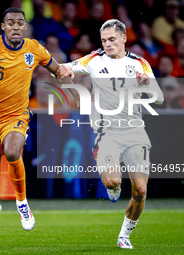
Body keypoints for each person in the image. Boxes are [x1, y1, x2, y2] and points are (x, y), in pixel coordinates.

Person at [0, 7, 73, 244]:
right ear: (3, 27)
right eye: (10, 23)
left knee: (12, 151)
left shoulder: (34, 48)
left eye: (20, 23)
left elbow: (55, 69)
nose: (15, 27)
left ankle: (22, 202)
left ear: (25, 27)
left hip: (17, 115)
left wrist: (64, 72)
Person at [57, 19, 164, 249]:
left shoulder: (140, 63)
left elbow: (160, 98)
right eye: (104, 40)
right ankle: (113, 185)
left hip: (136, 131)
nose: (107, 44)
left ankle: (124, 235)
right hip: (107, 133)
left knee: (141, 190)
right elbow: (68, 67)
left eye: (112, 39)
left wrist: (147, 84)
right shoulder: (95, 59)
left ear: (124, 38)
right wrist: (67, 74)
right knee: (113, 181)